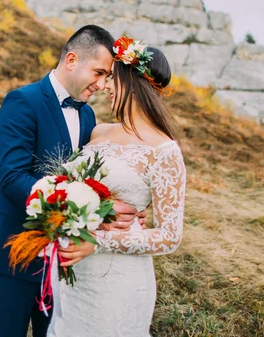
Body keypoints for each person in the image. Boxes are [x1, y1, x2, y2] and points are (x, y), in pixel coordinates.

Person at [0, 25, 146, 337]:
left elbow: (89, 177)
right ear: (71, 60)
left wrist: (121, 209)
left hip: (66, 256)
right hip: (16, 247)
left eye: (107, 77)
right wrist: (79, 202)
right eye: (98, 73)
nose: (101, 84)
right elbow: (13, 179)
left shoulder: (87, 117)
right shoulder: (22, 101)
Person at [47, 40, 186, 337]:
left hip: (117, 280)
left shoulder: (164, 150)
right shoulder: (99, 131)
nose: (106, 85)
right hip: (74, 271)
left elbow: (170, 237)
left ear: (133, 84)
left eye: (113, 78)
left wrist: (97, 242)